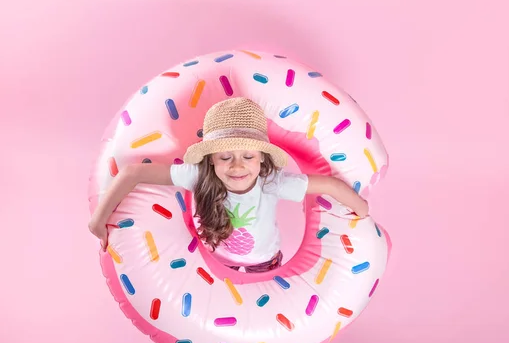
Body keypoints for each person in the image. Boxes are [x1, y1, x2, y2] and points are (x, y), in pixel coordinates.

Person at [88, 97, 369, 273]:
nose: (237, 166)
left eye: (248, 156)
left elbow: (330, 186)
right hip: (210, 262)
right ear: (210, 160)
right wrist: (98, 222)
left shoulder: (271, 183)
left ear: (261, 159)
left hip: (265, 265)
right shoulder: (196, 175)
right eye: (225, 157)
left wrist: (362, 209)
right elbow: (132, 173)